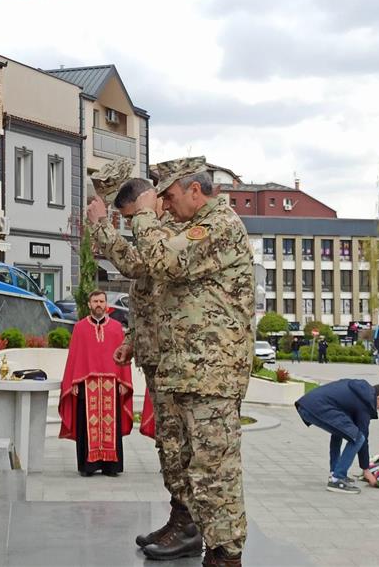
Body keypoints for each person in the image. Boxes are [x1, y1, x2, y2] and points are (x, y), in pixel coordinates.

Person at [88, 156, 253, 567]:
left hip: (212, 372)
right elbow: (151, 282)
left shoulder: (221, 225)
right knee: (183, 458)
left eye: (170, 195)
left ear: (195, 190)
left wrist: (141, 215)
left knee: (215, 471)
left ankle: (225, 556)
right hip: (184, 366)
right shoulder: (185, 228)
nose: (165, 203)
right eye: (158, 197)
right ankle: (189, 528)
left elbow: (164, 262)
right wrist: (135, 339)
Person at [91, 170, 191, 548]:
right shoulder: (152, 229)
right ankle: (179, 520)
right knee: (169, 446)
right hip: (156, 352)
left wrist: (102, 226)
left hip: (174, 356)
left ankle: (188, 525)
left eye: (132, 217)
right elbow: (148, 295)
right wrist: (132, 338)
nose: (132, 225)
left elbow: (137, 266)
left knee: (178, 447)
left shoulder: (165, 227)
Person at [59, 290, 134, 477]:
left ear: (106, 304)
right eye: (95, 301)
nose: (98, 304)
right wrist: (73, 382)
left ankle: (111, 467)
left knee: (112, 424)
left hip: (111, 384)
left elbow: (123, 356)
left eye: (101, 301)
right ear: (89, 304)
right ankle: (87, 466)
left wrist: (124, 380)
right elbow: (74, 357)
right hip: (87, 383)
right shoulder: (80, 327)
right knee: (86, 424)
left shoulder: (117, 328)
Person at [295, 380, 379, 494]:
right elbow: (363, 436)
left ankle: (335, 472)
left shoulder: (360, 390)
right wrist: (366, 469)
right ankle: (337, 479)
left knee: (340, 432)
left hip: (308, 404)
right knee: (358, 438)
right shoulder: (366, 402)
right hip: (317, 407)